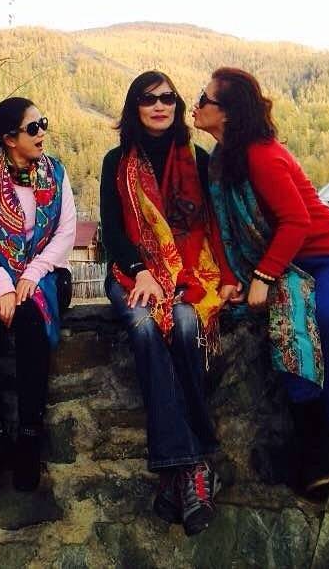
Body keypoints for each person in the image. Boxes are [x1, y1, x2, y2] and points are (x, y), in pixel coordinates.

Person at [193, 67, 329, 499]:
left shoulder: (262, 156)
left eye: (204, 98)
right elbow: (221, 228)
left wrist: (263, 276)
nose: (195, 106)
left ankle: (325, 437)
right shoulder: (220, 161)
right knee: (287, 323)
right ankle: (309, 438)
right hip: (283, 267)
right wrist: (232, 278)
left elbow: (296, 221)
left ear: (228, 113)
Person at [100, 70, 238, 537]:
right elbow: (112, 231)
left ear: (177, 105)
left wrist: (226, 278)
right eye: (148, 99)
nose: (159, 105)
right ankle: (195, 465)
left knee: (184, 322)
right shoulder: (117, 161)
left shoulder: (197, 159)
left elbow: (213, 224)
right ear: (134, 107)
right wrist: (141, 270)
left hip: (189, 272)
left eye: (167, 98)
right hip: (132, 272)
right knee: (142, 325)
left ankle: (175, 473)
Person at [0, 97, 76, 492]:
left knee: (29, 322)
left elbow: (66, 234)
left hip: (48, 272)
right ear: (10, 139)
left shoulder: (56, 173)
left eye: (43, 123)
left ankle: (28, 438)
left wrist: (32, 274)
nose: (42, 133)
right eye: (33, 128)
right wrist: (4, 285)